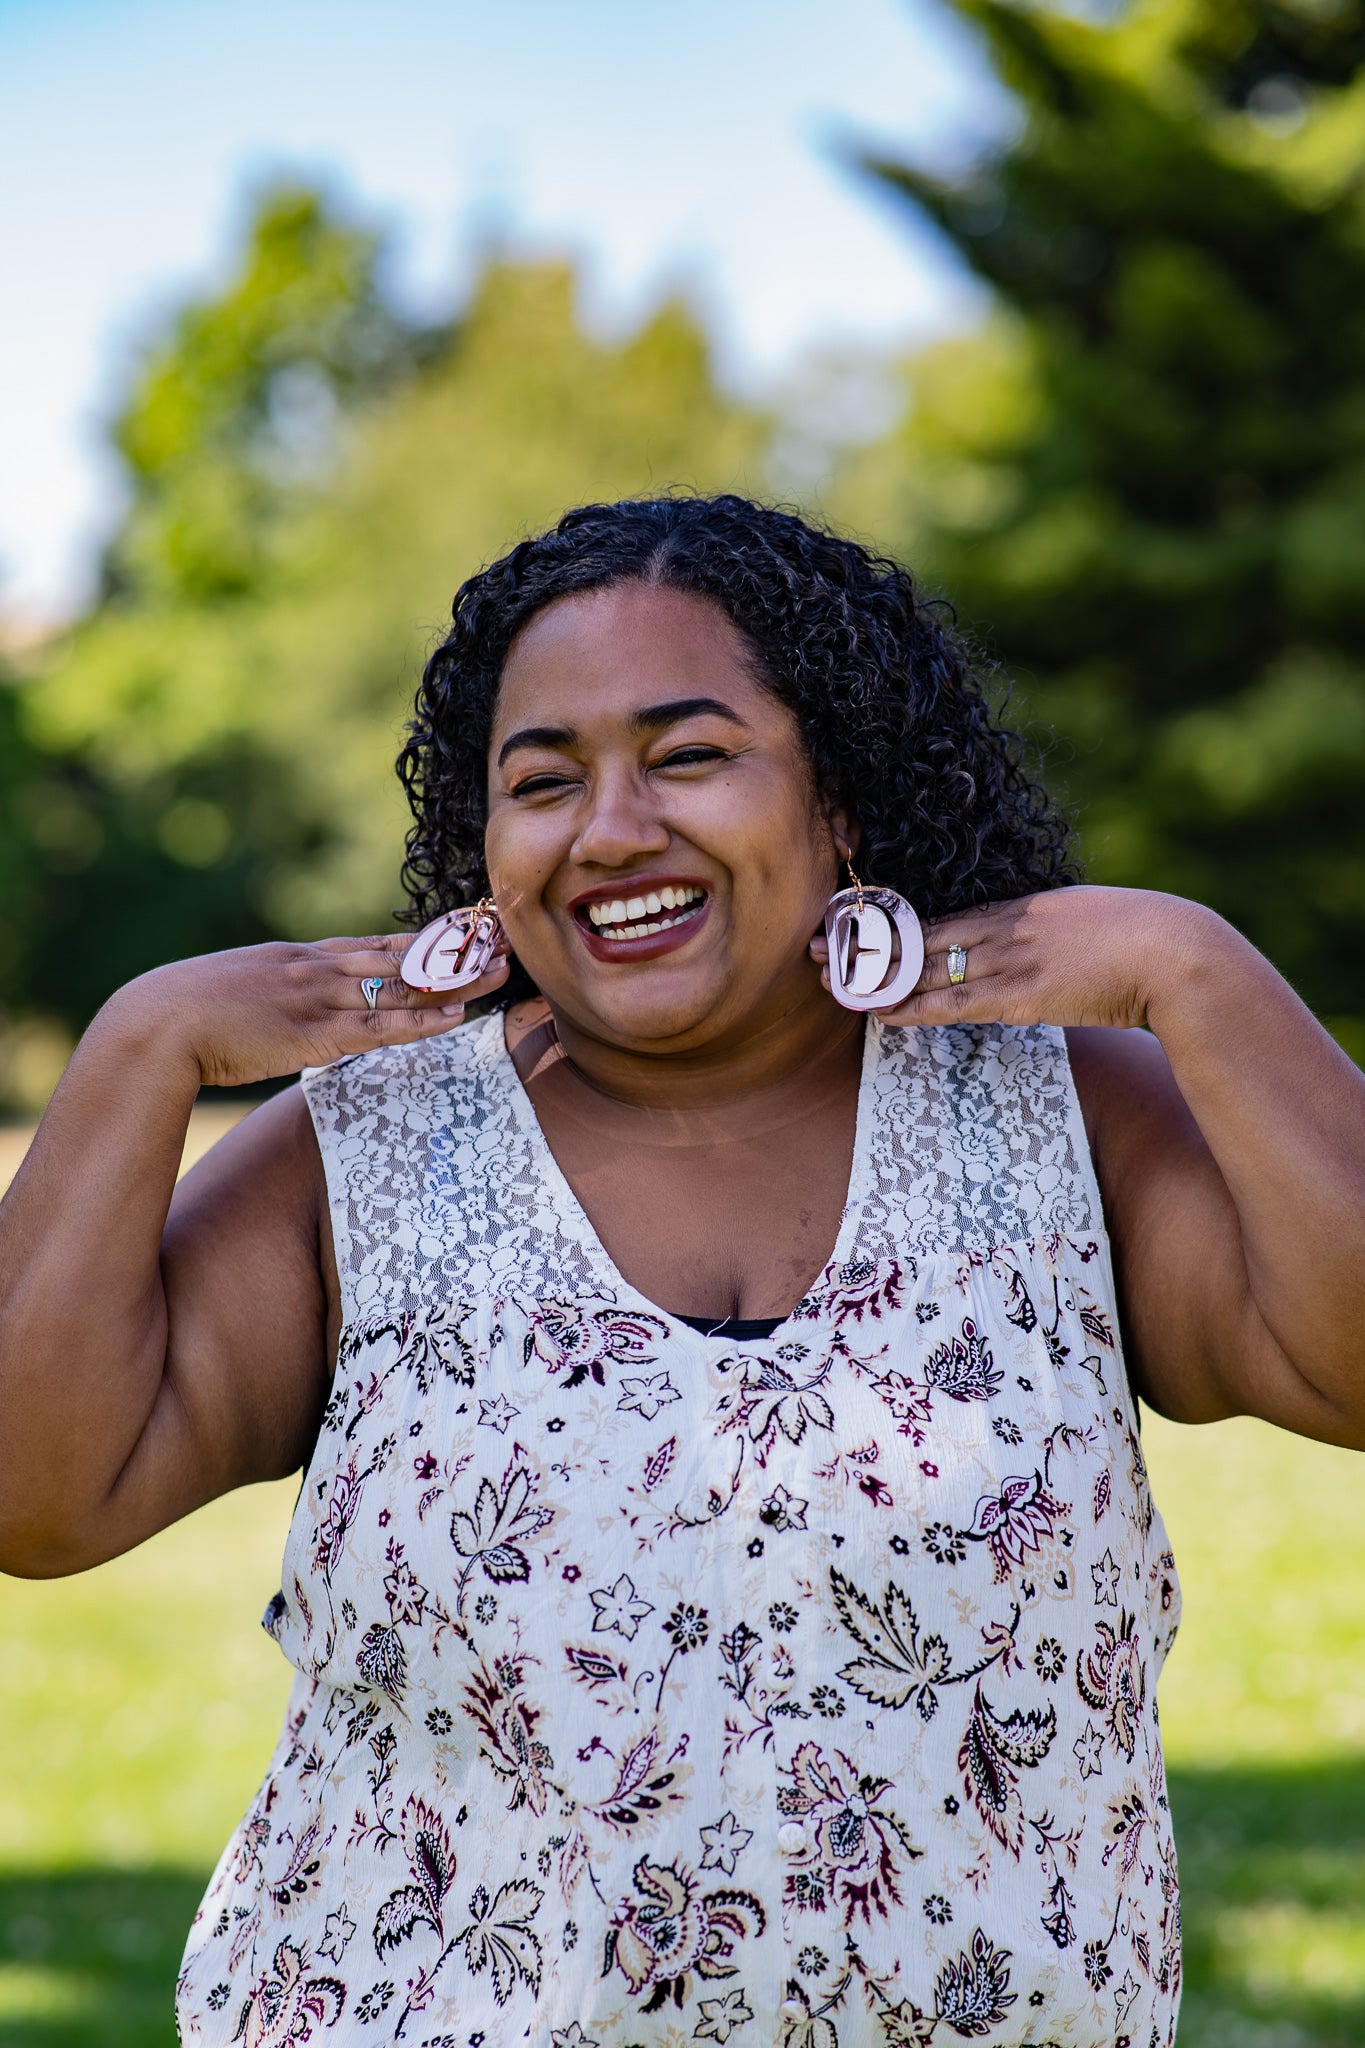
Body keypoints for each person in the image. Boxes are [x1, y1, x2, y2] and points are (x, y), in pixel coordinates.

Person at [2, 495, 1363, 2048]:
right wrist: (142, 1046)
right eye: (542, 781)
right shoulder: (362, 1158)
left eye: (689, 755)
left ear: (840, 797)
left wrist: (1193, 967)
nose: (609, 829)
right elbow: (37, 1498)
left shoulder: (1063, 1121)